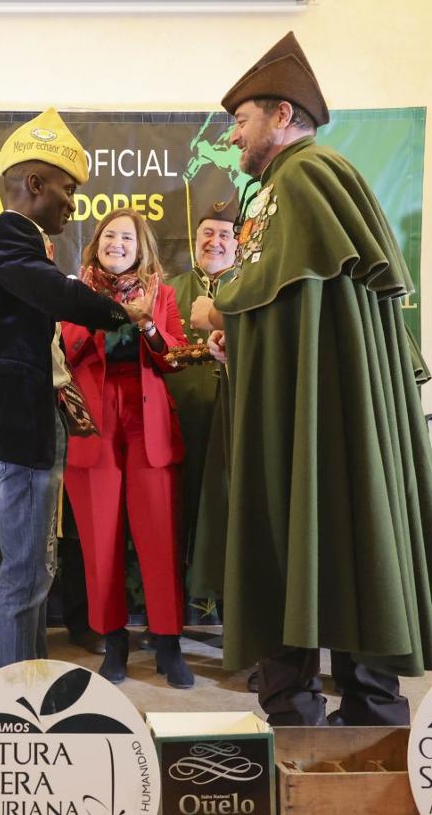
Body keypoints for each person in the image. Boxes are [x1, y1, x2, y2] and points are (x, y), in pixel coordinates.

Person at [202, 33, 432, 725]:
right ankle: (305, 712)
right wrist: (245, 341)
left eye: (243, 120)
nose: (235, 136)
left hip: (325, 411)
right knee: (318, 537)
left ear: (282, 115)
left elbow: (288, 294)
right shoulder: (281, 190)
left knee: (341, 530)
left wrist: (218, 301)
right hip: (303, 404)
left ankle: (362, 715)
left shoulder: (309, 175)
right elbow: (295, 304)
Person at [0, 108, 148, 669]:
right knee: (26, 576)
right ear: (34, 184)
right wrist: (119, 311)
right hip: (17, 429)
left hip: (23, 427)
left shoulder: (12, 240)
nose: (73, 203)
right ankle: (15, 709)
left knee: (36, 571)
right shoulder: (12, 233)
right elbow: (50, 290)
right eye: (67, 188)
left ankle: (28, 686)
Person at [62, 209, 193, 688]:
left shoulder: (164, 294)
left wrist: (147, 327)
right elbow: (67, 350)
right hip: (95, 425)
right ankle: (113, 642)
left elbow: (175, 357)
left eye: (128, 238)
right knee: (101, 540)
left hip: (148, 423)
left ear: (142, 249)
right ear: (96, 243)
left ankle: (168, 643)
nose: (118, 243)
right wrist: (103, 312)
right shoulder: (74, 293)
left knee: (159, 536)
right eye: (110, 236)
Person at [167, 197, 238, 613]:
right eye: (207, 233)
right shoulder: (169, 290)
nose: (215, 242)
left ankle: (232, 612)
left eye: (225, 235)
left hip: (231, 427)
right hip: (180, 425)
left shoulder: (250, 290)